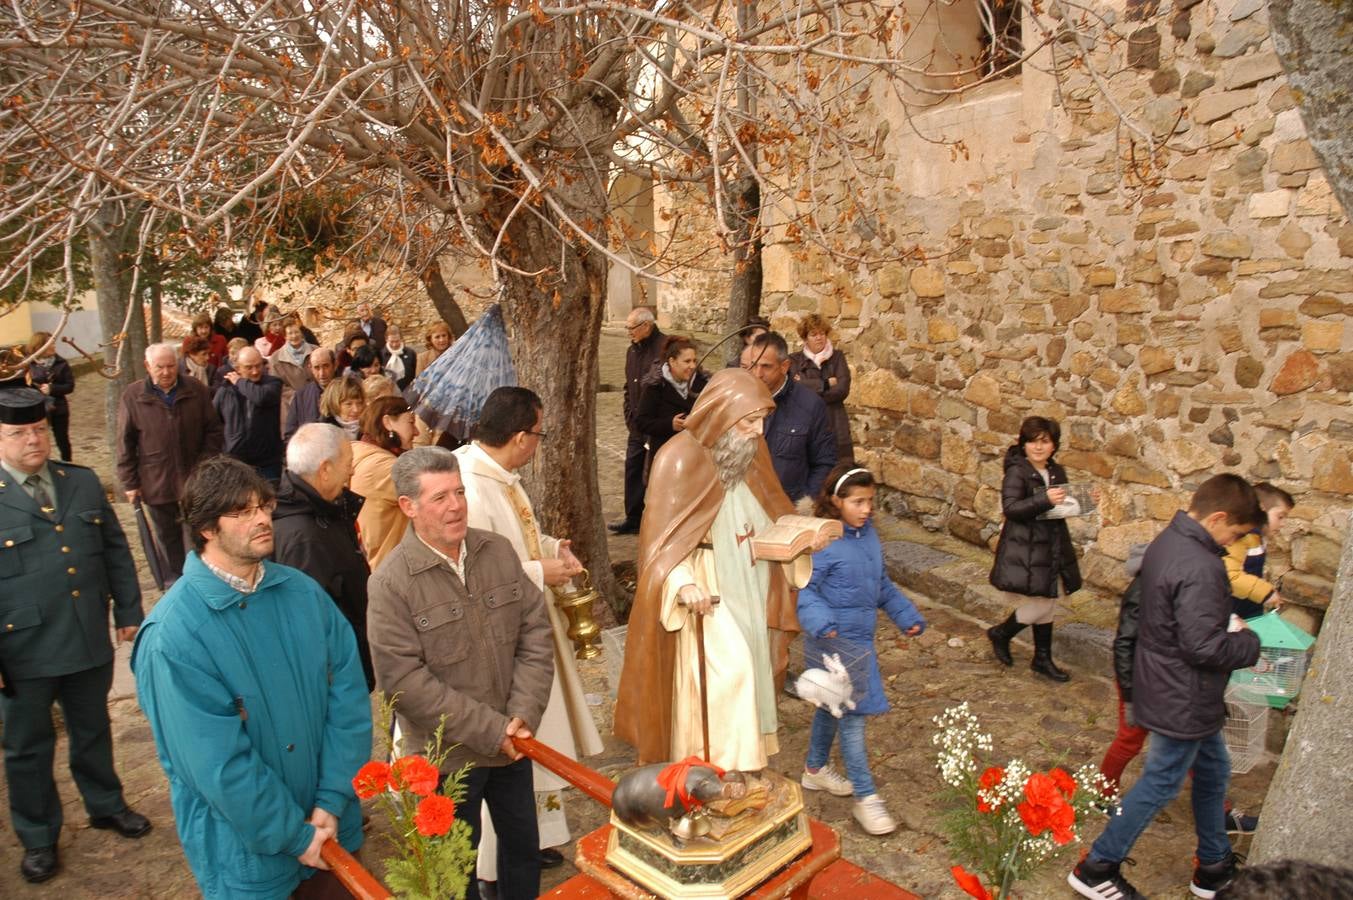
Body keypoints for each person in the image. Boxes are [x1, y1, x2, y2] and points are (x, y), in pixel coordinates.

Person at [132, 456, 372, 899]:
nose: (262, 519)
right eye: (242, 513)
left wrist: (332, 799)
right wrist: (294, 836)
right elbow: (216, 764)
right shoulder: (174, 637)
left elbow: (349, 702)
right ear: (206, 528)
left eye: (263, 506)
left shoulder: (303, 593)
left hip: (334, 831)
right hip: (249, 857)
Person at [366, 447, 554, 900]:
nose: (456, 506)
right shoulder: (391, 584)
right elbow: (406, 684)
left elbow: (535, 634)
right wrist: (494, 729)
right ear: (408, 507)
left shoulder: (498, 552)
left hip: (513, 745)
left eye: (460, 492)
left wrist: (523, 715)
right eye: (440, 498)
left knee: (523, 853)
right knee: (456, 875)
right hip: (446, 761)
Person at [1067, 474, 1264, 900]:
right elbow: (1202, 646)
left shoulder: (1168, 540)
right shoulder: (1202, 565)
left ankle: (1212, 866)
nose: (1234, 543)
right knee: (1161, 782)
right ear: (1218, 517)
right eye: (1235, 533)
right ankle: (1097, 865)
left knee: (1213, 772)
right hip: (1184, 695)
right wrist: (1247, 641)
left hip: (1174, 686)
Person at [615, 368, 818, 773]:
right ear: (722, 414)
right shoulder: (678, 459)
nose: (758, 431)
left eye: (762, 420)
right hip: (708, 586)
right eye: (748, 421)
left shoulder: (749, 453)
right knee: (732, 674)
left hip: (752, 578)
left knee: (753, 670)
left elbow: (773, 511)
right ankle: (711, 770)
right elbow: (659, 547)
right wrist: (682, 583)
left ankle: (742, 768)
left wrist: (799, 539)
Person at [452, 387, 602, 890]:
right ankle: (495, 866)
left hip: (525, 629)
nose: (539, 443)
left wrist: (551, 546)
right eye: (538, 434)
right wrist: (545, 571)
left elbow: (516, 539)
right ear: (519, 437)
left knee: (532, 744)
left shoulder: (497, 476)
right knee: (509, 748)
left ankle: (530, 840)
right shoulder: (469, 488)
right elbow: (475, 574)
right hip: (497, 644)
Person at [0, 385, 150, 884]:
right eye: (19, 433)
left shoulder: (80, 483)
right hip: (20, 651)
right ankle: (39, 835)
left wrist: (128, 608)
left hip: (86, 636)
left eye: (39, 430)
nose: (33, 441)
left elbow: (114, 550)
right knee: (28, 747)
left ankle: (106, 803)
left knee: (92, 729)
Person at [796, 464, 924, 835]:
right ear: (836, 501)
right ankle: (867, 800)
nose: (866, 509)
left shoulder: (868, 537)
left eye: (870, 501)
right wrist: (821, 622)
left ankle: (815, 769)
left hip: (860, 642)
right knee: (853, 718)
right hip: (833, 643)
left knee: (830, 706)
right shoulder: (824, 542)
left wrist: (905, 614)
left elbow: (880, 584)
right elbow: (805, 588)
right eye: (858, 502)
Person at [1099, 543, 1259, 836]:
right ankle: (1102, 792)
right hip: (1142, 680)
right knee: (1131, 739)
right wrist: (1131, 695)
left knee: (1194, 745)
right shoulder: (1146, 587)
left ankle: (1219, 811)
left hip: (1172, 683)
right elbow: (1125, 643)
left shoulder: (1179, 580)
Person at [272, 423, 375, 690]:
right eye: (348, 463)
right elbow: (310, 626)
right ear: (325, 470)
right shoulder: (303, 538)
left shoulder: (325, 510)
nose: (352, 471)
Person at [985, 416, 1084, 682]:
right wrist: (1043, 499)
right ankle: (1001, 633)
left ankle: (1042, 658)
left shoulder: (1056, 472)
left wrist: (1084, 501)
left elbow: (1059, 507)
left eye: (1044, 442)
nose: (1038, 447)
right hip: (1026, 546)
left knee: (1047, 602)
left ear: (1053, 445)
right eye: (1032, 442)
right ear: (1024, 444)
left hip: (1051, 544)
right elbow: (1012, 508)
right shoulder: (1017, 471)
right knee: (1041, 604)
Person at [117, 343, 225, 580]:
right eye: (160, 367)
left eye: (170, 366)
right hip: (156, 481)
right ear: (147, 366)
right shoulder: (132, 396)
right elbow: (125, 442)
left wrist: (205, 465)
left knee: (199, 534)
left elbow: (214, 431)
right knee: (167, 537)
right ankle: (176, 581)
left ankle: (203, 578)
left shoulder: (196, 389)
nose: (166, 372)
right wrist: (130, 483)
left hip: (194, 480)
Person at [740, 331, 837, 502]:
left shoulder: (811, 405)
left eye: (766, 366)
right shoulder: (739, 401)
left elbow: (824, 463)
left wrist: (802, 507)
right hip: (744, 508)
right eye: (753, 365)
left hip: (787, 510)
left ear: (784, 366)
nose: (758, 373)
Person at [610, 306, 663, 535]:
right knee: (632, 468)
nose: (628, 332)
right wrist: (629, 415)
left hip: (658, 424)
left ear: (646, 326)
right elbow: (627, 386)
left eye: (632, 328)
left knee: (657, 471)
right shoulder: (632, 351)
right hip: (636, 426)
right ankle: (633, 517)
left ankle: (660, 517)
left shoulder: (665, 348)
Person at [350, 396, 416, 570]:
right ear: (388, 422)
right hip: (390, 568)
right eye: (410, 422)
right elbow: (429, 495)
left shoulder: (365, 456)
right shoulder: (382, 467)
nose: (416, 431)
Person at [1224, 482, 1294, 619]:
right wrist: (1265, 593)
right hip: (1229, 613)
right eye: (1280, 517)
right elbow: (1230, 577)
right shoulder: (1240, 537)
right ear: (1261, 509)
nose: (1283, 524)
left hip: (1249, 610)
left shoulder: (1257, 538)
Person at [214, 346, 284, 482]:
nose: (255, 371)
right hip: (236, 462)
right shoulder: (225, 390)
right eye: (249, 367)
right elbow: (214, 421)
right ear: (238, 368)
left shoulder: (273, 384)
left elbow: (260, 398)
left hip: (267, 461)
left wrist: (240, 381)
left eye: (258, 366)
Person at [789, 314, 853, 464]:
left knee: (839, 471)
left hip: (835, 422)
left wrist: (806, 385)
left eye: (822, 333)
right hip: (806, 423)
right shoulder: (794, 360)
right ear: (805, 338)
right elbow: (793, 389)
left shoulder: (837, 358)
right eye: (814, 334)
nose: (819, 338)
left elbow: (842, 390)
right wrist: (825, 383)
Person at [635, 335, 701, 467]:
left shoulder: (701, 383)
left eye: (694, 361)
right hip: (665, 458)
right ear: (672, 361)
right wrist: (669, 424)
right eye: (687, 361)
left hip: (696, 457)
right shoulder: (655, 386)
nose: (692, 366)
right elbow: (642, 422)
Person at [24, 332, 75, 462]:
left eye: (53, 343)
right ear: (39, 346)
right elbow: (23, 386)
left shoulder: (62, 363)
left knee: (62, 439)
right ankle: (42, 464)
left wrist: (52, 389)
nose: (53, 346)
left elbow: (69, 386)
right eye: (50, 343)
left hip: (59, 407)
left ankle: (67, 464)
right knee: (39, 439)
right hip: (37, 408)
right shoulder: (28, 364)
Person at [269, 318, 318, 438]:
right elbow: (278, 384)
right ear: (285, 336)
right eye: (290, 333)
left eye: (296, 332)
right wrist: (298, 396)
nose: (294, 336)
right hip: (291, 405)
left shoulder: (316, 351)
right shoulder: (276, 358)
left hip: (316, 400)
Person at [283, 347, 338, 443]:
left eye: (326, 366)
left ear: (335, 365)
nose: (322, 373)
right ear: (310, 368)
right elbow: (290, 434)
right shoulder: (301, 396)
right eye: (317, 368)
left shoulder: (346, 391)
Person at [318, 373, 366, 440]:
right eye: (348, 404)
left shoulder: (369, 429)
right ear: (334, 405)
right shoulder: (321, 433)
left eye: (359, 403)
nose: (356, 409)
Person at [379, 325, 418, 392]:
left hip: (409, 391)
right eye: (391, 341)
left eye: (397, 341)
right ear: (386, 340)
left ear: (401, 339)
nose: (394, 345)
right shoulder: (381, 355)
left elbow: (416, 372)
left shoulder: (410, 353)